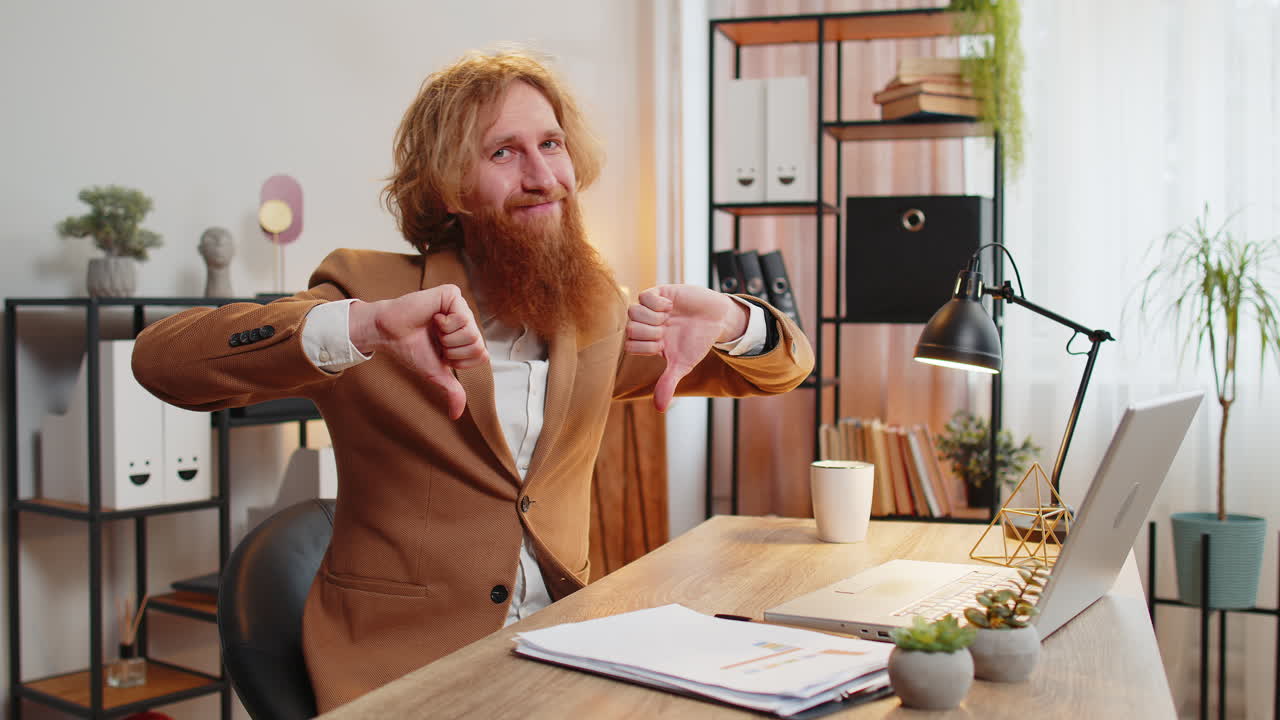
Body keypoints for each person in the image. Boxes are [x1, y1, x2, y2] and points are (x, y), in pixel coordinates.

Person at [132, 49, 813, 711]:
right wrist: (362, 327)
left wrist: (735, 320)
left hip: (565, 651)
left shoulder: (597, 311)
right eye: (503, 152)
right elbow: (161, 363)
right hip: (404, 669)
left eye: (551, 144)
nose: (542, 176)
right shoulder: (372, 290)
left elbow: (783, 370)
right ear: (448, 185)